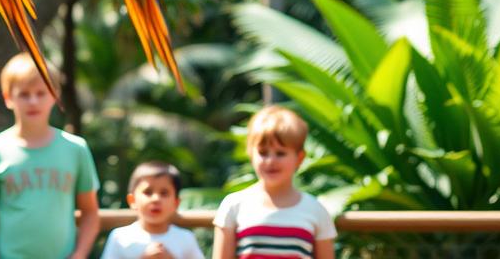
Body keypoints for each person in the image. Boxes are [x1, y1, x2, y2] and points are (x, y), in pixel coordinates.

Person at [0, 54, 99, 259]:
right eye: (24, 94)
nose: (33, 101)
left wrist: (79, 255)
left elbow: (90, 213)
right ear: (8, 97)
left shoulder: (76, 149)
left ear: (55, 95)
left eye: (41, 93)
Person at [212, 107, 335, 259]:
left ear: (299, 158)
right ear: (250, 154)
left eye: (280, 153)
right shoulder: (233, 206)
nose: (271, 161)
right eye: (263, 153)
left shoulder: (316, 211)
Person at [101, 161, 203, 259]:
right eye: (148, 192)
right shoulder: (120, 238)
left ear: (176, 203)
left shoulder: (186, 239)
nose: (156, 199)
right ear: (132, 200)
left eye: (164, 193)